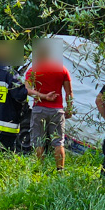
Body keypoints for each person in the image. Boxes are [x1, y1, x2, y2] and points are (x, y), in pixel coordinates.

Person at [24, 39, 73, 171]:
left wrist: (43, 96)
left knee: (39, 141)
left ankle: (40, 169)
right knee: (58, 142)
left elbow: (27, 90)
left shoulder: (33, 70)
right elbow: (69, 92)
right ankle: (60, 170)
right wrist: (69, 109)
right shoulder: (62, 70)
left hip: (39, 109)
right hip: (57, 110)